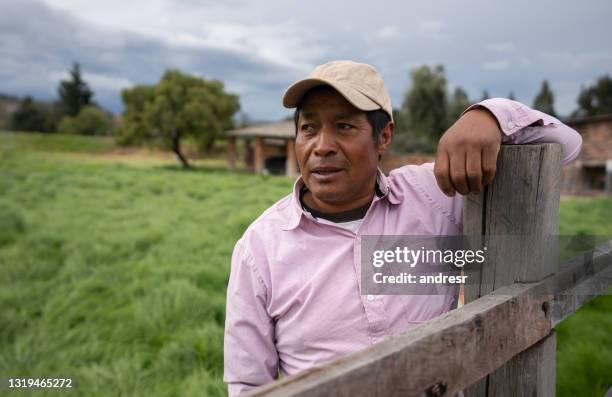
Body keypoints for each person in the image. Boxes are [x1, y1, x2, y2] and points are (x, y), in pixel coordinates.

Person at [223, 60, 582, 396]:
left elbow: (565, 145)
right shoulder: (260, 248)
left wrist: (489, 115)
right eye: (308, 128)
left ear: (383, 138)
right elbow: (247, 382)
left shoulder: (432, 196)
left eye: (344, 126)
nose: (322, 147)